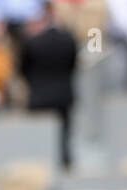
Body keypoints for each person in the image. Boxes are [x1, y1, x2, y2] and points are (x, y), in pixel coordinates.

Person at [19, 2, 78, 169]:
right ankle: (65, 163)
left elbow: (24, 69)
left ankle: (42, 167)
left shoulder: (33, 42)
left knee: (38, 139)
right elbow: (73, 64)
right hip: (63, 95)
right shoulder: (68, 39)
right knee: (64, 134)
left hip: (39, 96)